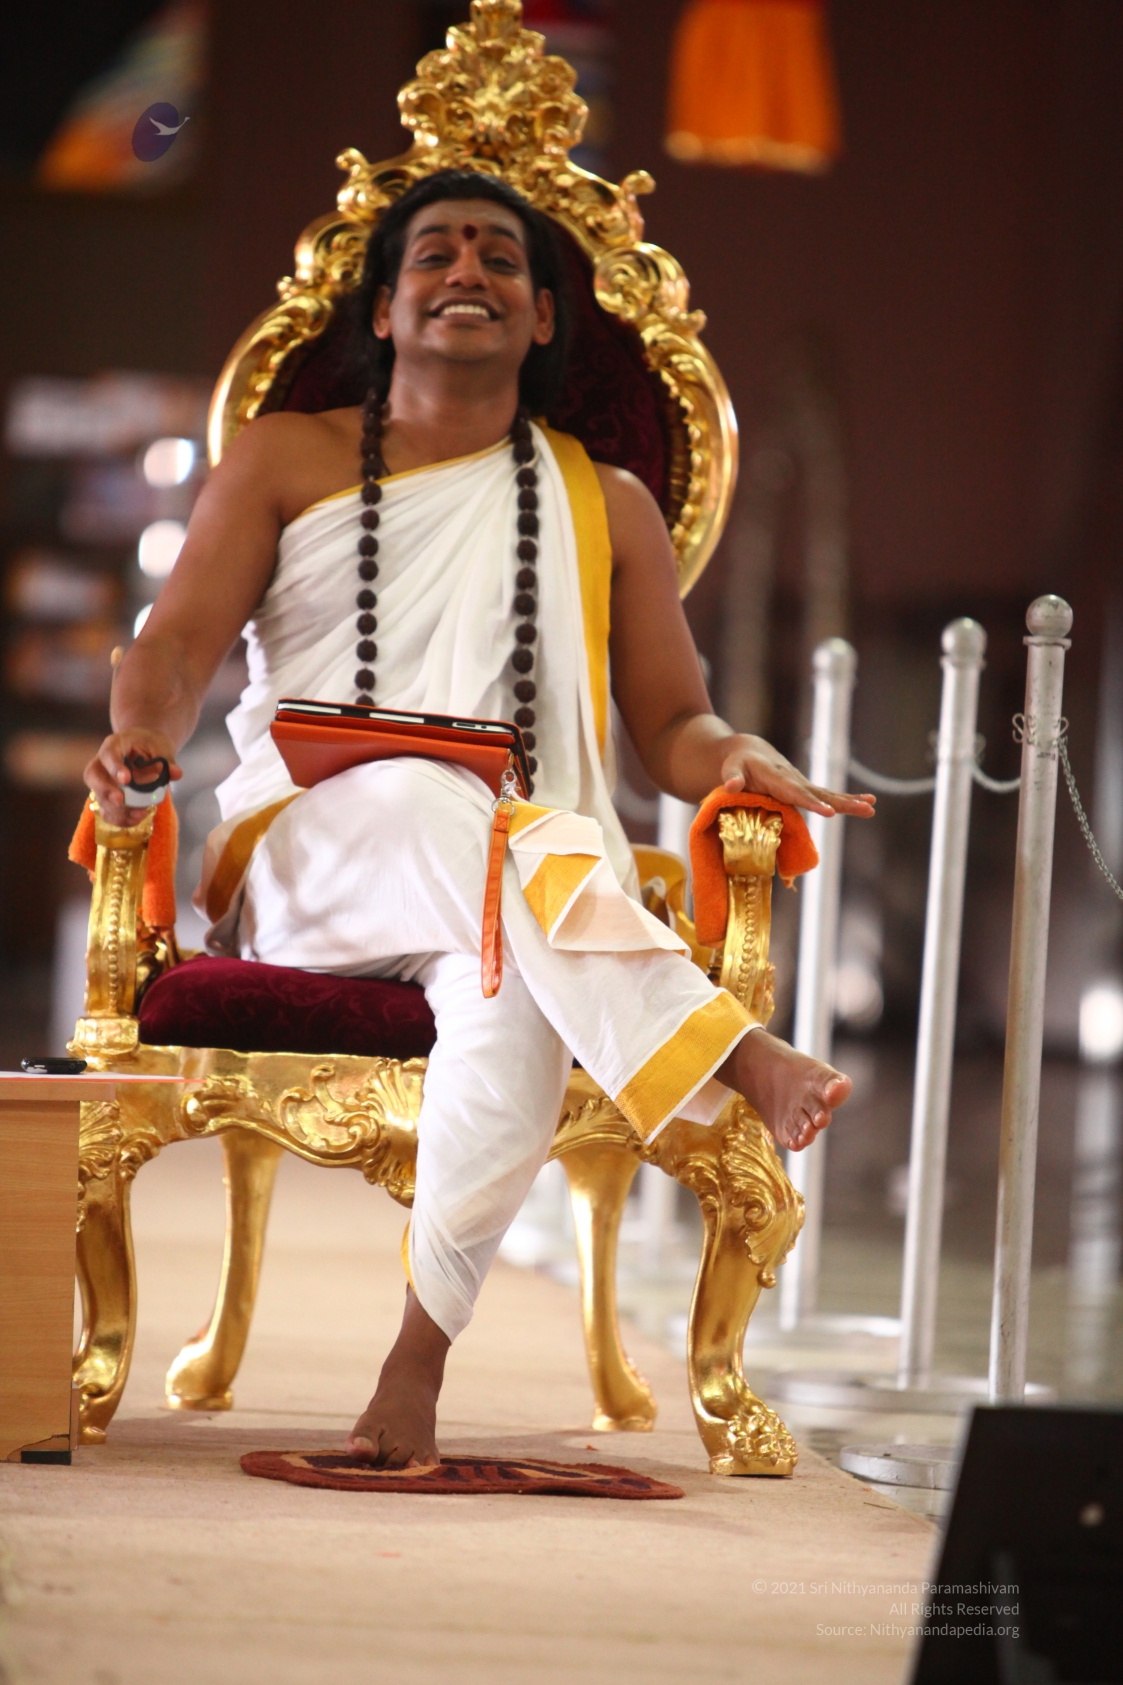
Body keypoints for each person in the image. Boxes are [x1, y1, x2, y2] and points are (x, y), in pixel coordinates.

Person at [84, 170, 875, 1468]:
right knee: (437, 801)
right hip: (313, 853)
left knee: (508, 993)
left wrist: (737, 751)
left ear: (544, 317)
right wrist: (144, 737)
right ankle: (729, 1050)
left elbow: (673, 724)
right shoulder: (284, 457)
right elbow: (173, 647)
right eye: (436, 254)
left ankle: (413, 1371)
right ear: (384, 310)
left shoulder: (607, 503)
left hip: (511, 885)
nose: (468, 272)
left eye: (501, 258)